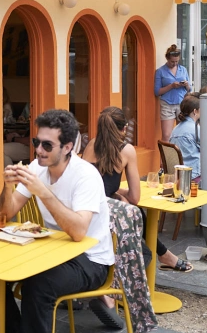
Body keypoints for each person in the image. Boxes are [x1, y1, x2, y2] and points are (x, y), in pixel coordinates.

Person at [0, 109, 114, 333]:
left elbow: (79, 232)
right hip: (54, 249)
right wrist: (8, 185)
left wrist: (44, 193)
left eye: (47, 145)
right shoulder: (38, 168)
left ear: (67, 147)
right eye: (37, 142)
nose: (38, 150)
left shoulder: (85, 175)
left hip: (91, 258)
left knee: (41, 285)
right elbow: (3, 216)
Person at [82, 107, 192, 284]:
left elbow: (95, 184)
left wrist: (115, 191)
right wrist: (120, 194)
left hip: (83, 207)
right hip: (101, 213)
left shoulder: (91, 144)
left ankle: (164, 254)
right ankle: (161, 255)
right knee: (135, 211)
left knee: (132, 209)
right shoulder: (126, 150)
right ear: (125, 128)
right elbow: (135, 197)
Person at [154, 45, 191, 142]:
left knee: (182, 134)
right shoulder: (160, 71)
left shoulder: (183, 69)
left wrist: (186, 85)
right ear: (167, 58)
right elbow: (157, 91)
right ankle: (165, 157)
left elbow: (189, 89)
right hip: (167, 104)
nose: (174, 64)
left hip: (182, 103)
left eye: (176, 61)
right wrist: (171, 86)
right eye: (172, 62)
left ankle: (182, 156)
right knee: (166, 135)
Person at [169, 94, 201, 182]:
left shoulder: (175, 129)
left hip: (177, 174)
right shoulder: (196, 129)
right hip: (194, 174)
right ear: (195, 111)